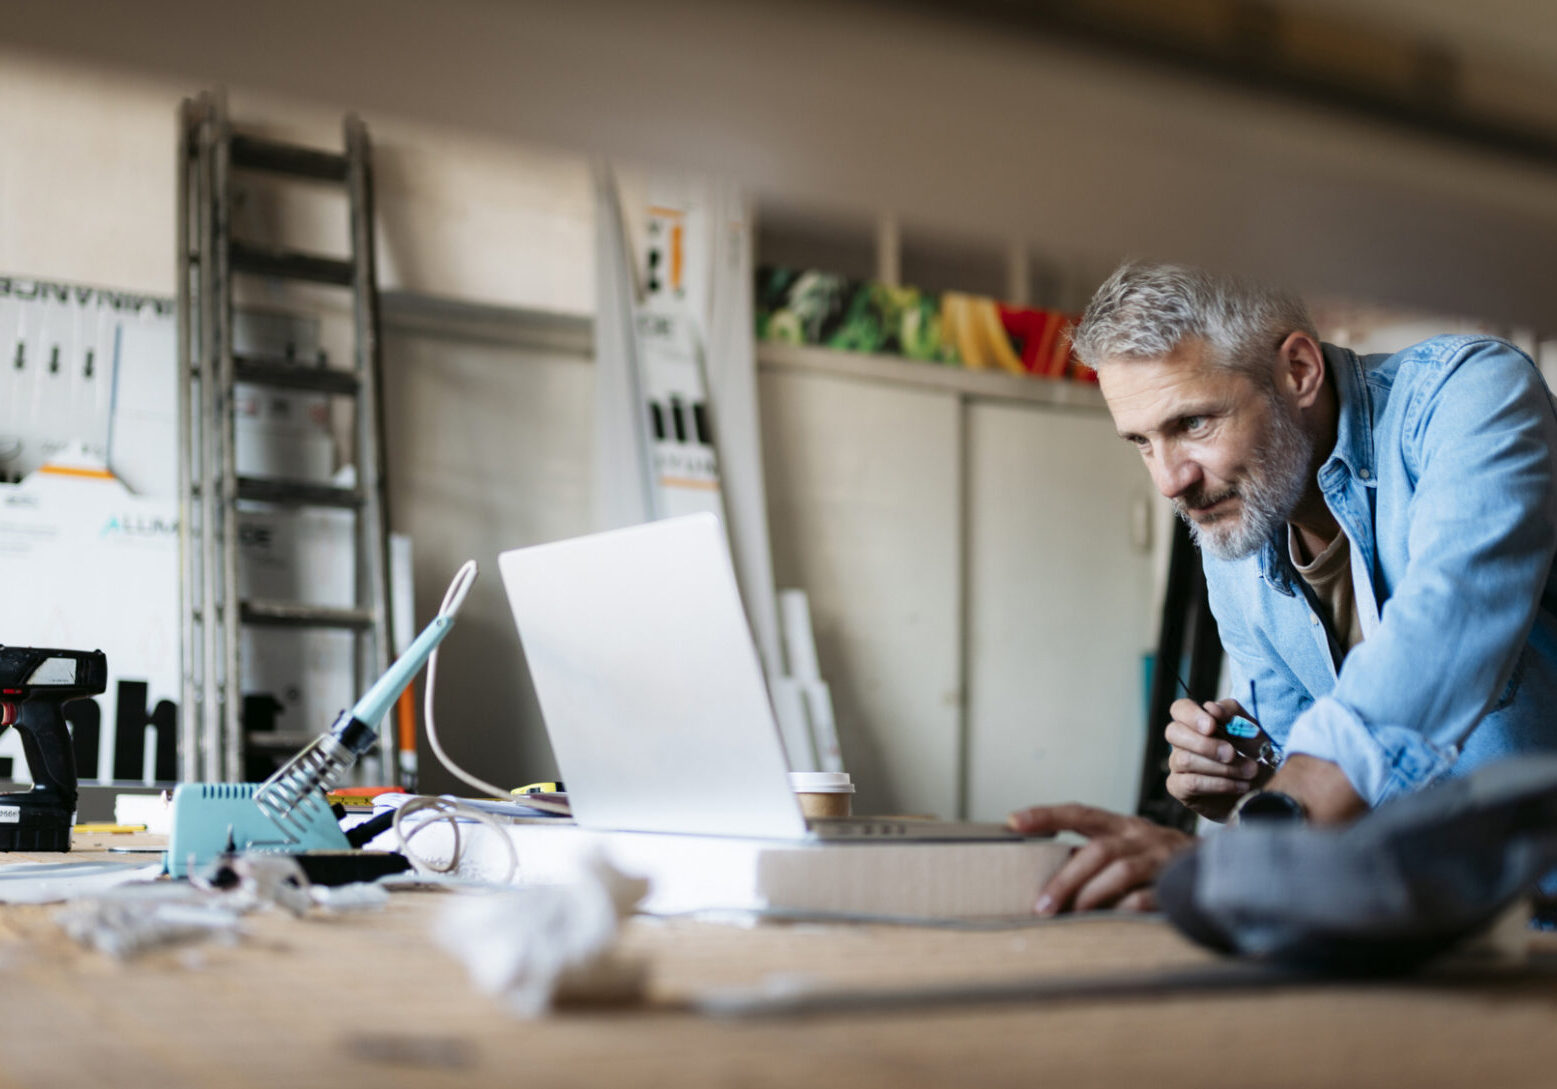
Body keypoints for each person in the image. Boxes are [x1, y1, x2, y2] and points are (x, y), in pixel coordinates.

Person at [1009, 261, 1557, 913]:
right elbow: (1307, 778)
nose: (1168, 481)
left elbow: (1449, 622)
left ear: (1297, 370)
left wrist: (1261, 836)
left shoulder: (1468, 396)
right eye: (1141, 441)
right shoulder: (1236, 532)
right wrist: (1244, 778)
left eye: (1191, 424)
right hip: (1432, 922)